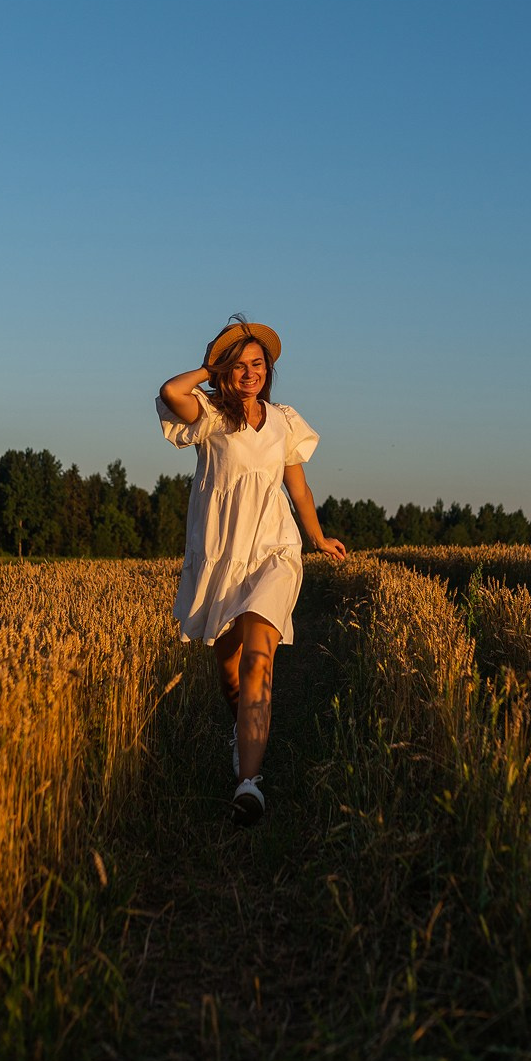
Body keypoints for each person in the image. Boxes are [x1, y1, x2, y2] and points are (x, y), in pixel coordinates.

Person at [157, 317, 347, 826]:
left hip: (275, 550)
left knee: (259, 659)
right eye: (238, 365)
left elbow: (298, 489)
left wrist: (316, 537)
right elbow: (169, 390)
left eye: (257, 364)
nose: (249, 373)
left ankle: (249, 783)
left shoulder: (284, 420)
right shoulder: (208, 415)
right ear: (224, 371)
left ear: (269, 368)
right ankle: (241, 733)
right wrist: (208, 367)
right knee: (230, 669)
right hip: (222, 552)